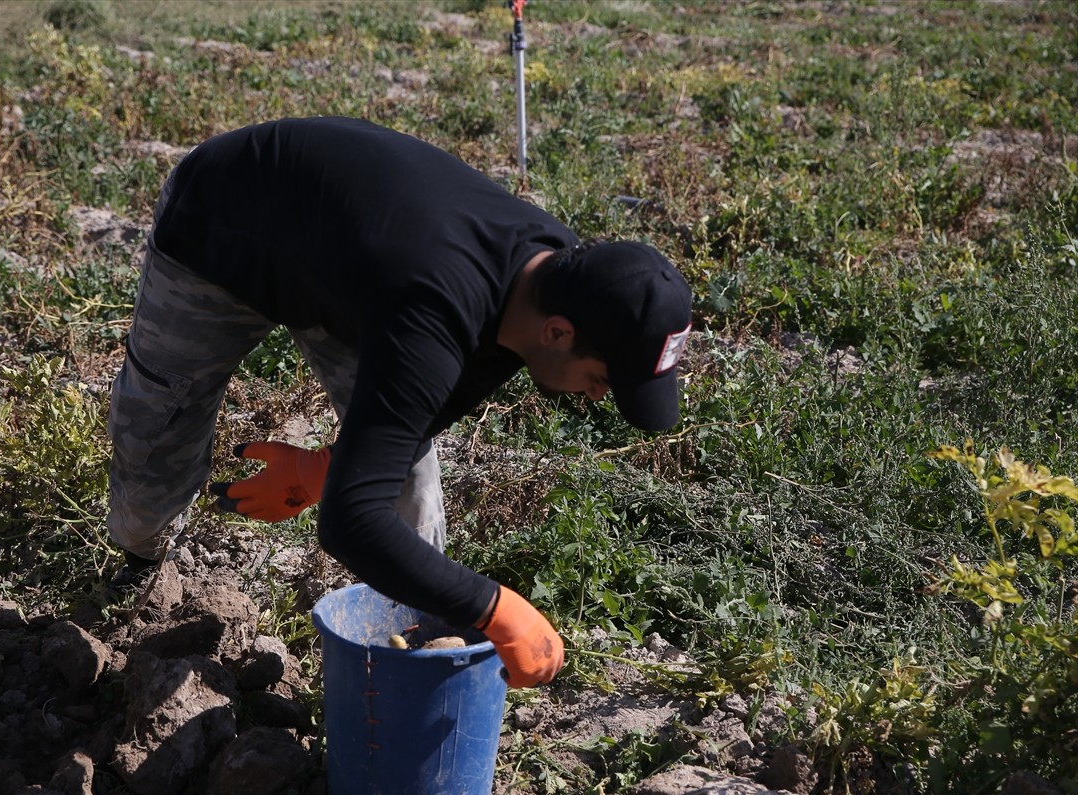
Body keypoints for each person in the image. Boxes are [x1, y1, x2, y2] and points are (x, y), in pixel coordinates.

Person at [106, 116, 692, 688]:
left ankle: (417, 647)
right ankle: (139, 573)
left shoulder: (548, 285)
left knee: (403, 477)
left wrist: (328, 467)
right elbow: (350, 524)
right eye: (601, 379)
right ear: (559, 334)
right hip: (224, 225)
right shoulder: (435, 313)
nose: (597, 396)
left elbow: (430, 409)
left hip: (352, 277)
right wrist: (494, 605)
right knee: (156, 434)